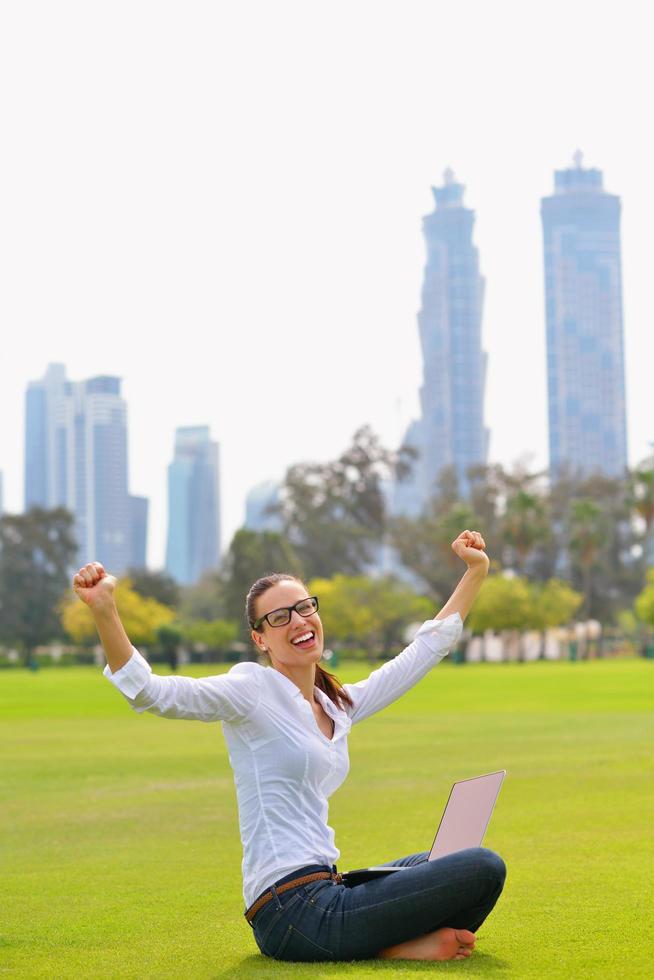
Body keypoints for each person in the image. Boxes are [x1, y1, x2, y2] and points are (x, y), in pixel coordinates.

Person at [73, 529, 505, 962]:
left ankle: (396, 943)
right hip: (291, 910)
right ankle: (396, 947)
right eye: (279, 617)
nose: (298, 621)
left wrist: (475, 571)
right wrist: (105, 610)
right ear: (260, 638)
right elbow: (150, 692)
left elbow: (423, 652)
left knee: (449, 858)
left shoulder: (335, 704)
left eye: (304, 607)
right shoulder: (251, 689)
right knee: (483, 867)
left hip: (328, 886)